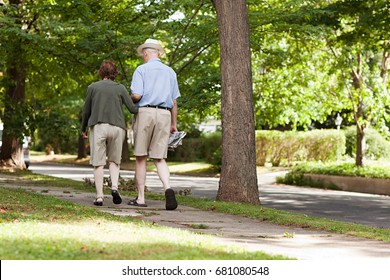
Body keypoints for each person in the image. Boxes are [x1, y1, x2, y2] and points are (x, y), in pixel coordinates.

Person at [129, 38, 180, 210]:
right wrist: (174, 123)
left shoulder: (141, 70)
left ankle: (141, 198)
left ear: (145, 54)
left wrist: (128, 100)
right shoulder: (171, 72)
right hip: (165, 114)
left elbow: (137, 95)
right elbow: (174, 101)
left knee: (141, 157)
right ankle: (168, 188)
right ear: (158, 53)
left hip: (146, 113)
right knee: (159, 158)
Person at [81, 60, 138, 206]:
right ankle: (114, 188)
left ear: (101, 72)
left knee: (98, 163)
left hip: (99, 126)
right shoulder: (121, 88)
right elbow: (132, 108)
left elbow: (86, 110)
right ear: (115, 73)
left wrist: (84, 128)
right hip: (117, 127)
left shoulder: (93, 87)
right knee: (114, 161)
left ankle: (100, 196)